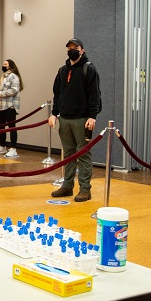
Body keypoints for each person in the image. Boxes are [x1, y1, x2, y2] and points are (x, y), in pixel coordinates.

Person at [49, 38, 101, 202]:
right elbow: (57, 94)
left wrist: (92, 116)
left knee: (83, 154)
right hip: (64, 119)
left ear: (82, 50)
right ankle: (67, 186)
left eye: (75, 48)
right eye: (69, 48)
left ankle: (85, 189)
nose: (72, 50)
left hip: (82, 119)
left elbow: (94, 95)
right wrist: (54, 113)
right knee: (68, 154)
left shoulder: (89, 69)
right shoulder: (62, 70)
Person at [0, 59, 23, 158]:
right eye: (3, 64)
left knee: (12, 127)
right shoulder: (3, 76)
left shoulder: (14, 76)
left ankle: (13, 149)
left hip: (10, 105)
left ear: (11, 66)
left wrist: (0, 93)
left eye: (5, 64)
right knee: (1, 127)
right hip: (1, 105)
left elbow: (14, 90)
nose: (3, 66)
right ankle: (2, 146)